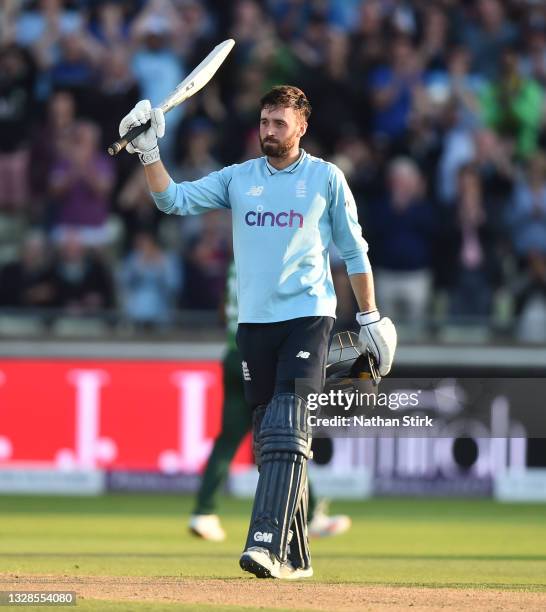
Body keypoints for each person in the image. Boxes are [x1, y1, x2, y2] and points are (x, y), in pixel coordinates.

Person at [118, 85, 397, 580]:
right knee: (275, 438)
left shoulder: (326, 178)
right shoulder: (239, 178)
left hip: (309, 317)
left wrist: (370, 316)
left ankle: (265, 543)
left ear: (302, 126)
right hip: (253, 325)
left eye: (279, 124)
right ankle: (297, 556)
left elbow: (354, 252)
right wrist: (149, 153)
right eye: (264, 122)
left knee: (287, 426)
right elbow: (172, 201)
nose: (269, 131)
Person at [189, 261, 352, 542]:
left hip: (233, 350)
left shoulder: (235, 262)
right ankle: (309, 515)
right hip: (258, 354)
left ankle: (204, 512)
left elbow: (223, 308)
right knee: (286, 435)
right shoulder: (267, 255)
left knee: (230, 438)